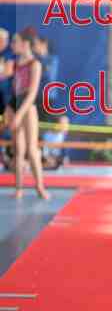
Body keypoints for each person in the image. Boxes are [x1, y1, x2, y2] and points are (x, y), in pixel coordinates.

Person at [3, 29, 50, 199]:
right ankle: (19, 188)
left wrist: (19, 114)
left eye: (15, 42)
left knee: (31, 149)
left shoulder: (35, 64)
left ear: (25, 44)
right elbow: (10, 84)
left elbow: (32, 93)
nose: (12, 45)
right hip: (15, 103)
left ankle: (39, 186)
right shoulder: (14, 64)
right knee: (18, 150)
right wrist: (10, 110)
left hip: (27, 106)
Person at [32, 34, 60, 121]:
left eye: (35, 44)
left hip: (47, 95)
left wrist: (37, 71)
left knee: (45, 119)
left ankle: (61, 120)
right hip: (35, 95)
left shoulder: (52, 59)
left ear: (44, 44)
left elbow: (49, 76)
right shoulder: (34, 59)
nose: (33, 46)